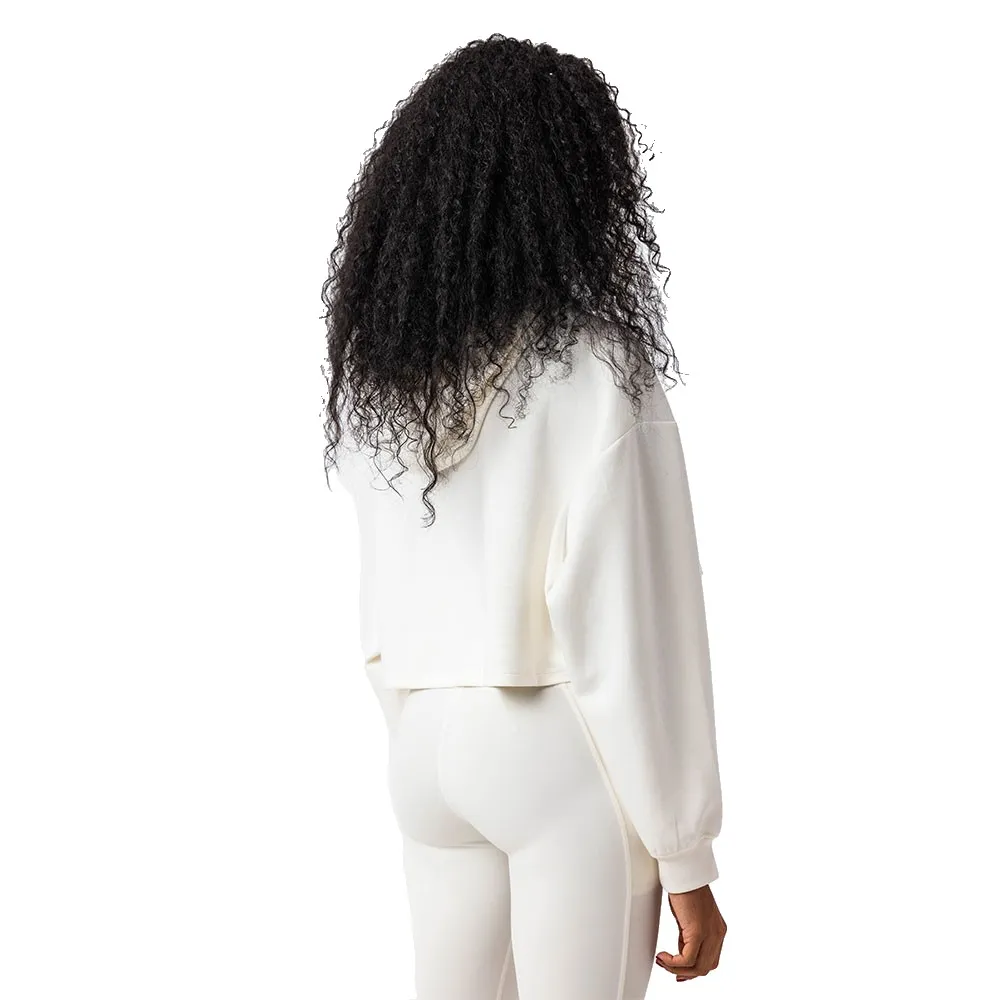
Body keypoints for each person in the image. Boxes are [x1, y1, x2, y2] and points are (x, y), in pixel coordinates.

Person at [322, 32, 727, 1000]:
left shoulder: (385, 378)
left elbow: (380, 589)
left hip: (422, 745)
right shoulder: (598, 367)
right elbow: (634, 628)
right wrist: (686, 854)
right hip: (550, 747)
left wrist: (420, 721)